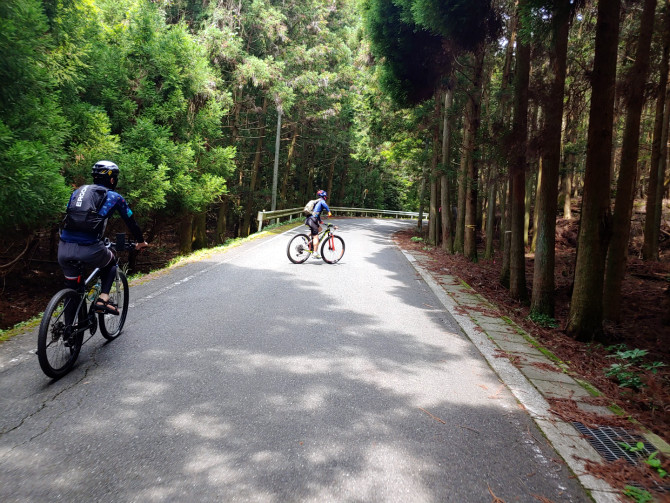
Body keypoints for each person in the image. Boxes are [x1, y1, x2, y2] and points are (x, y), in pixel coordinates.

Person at [58, 161, 148, 315]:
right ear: (112, 180)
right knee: (111, 262)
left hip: (64, 248)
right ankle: (103, 299)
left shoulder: (79, 191)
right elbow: (131, 221)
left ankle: (69, 333)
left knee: (72, 289)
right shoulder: (114, 197)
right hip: (89, 247)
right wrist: (140, 242)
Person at [305, 189, 331, 259]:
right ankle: (315, 253)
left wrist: (320, 221)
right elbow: (324, 204)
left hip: (309, 219)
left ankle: (306, 236)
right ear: (324, 196)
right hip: (313, 220)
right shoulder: (322, 201)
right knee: (316, 236)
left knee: (320, 229)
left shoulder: (317, 202)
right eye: (326, 197)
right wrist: (329, 211)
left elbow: (316, 213)